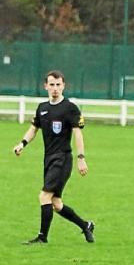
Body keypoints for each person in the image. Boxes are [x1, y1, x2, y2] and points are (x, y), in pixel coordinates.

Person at [13, 70, 95, 244]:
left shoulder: (70, 108)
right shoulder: (42, 108)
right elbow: (34, 128)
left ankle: (42, 238)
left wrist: (81, 158)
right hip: (49, 159)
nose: (55, 88)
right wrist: (22, 144)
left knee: (44, 196)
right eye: (52, 85)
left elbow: (77, 134)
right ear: (46, 86)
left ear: (63, 86)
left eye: (58, 85)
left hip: (63, 159)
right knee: (56, 203)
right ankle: (86, 225)